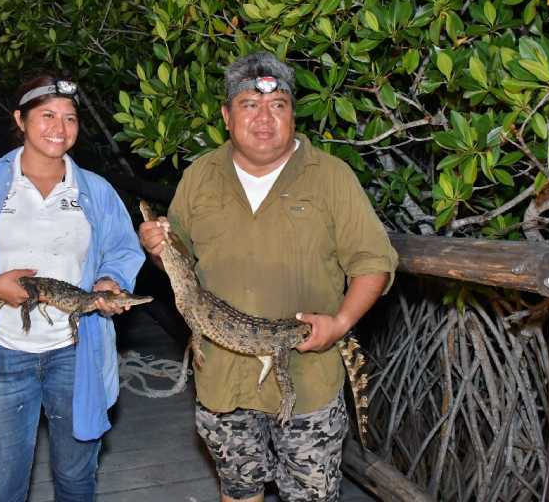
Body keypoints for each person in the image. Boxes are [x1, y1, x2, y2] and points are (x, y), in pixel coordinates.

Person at [138, 52, 398, 502]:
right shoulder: (200, 176)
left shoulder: (331, 177)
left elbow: (374, 262)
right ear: (226, 115)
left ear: (293, 114)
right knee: (239, 491)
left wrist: (340, 323)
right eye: (249, 105)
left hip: (306, 375)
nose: (264, 118)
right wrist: (156, 248)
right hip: (222, 378)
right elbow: (175, 260)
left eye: (278, 105)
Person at [0, 74, 145, 502]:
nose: (59, 128)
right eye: (47, 115)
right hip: (4, 353)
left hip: (76, 354)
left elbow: (123, 251)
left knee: (76, 478)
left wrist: (110, 282)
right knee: (2, 486)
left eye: (70, 118)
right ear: (20, 120)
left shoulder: (96, 192)